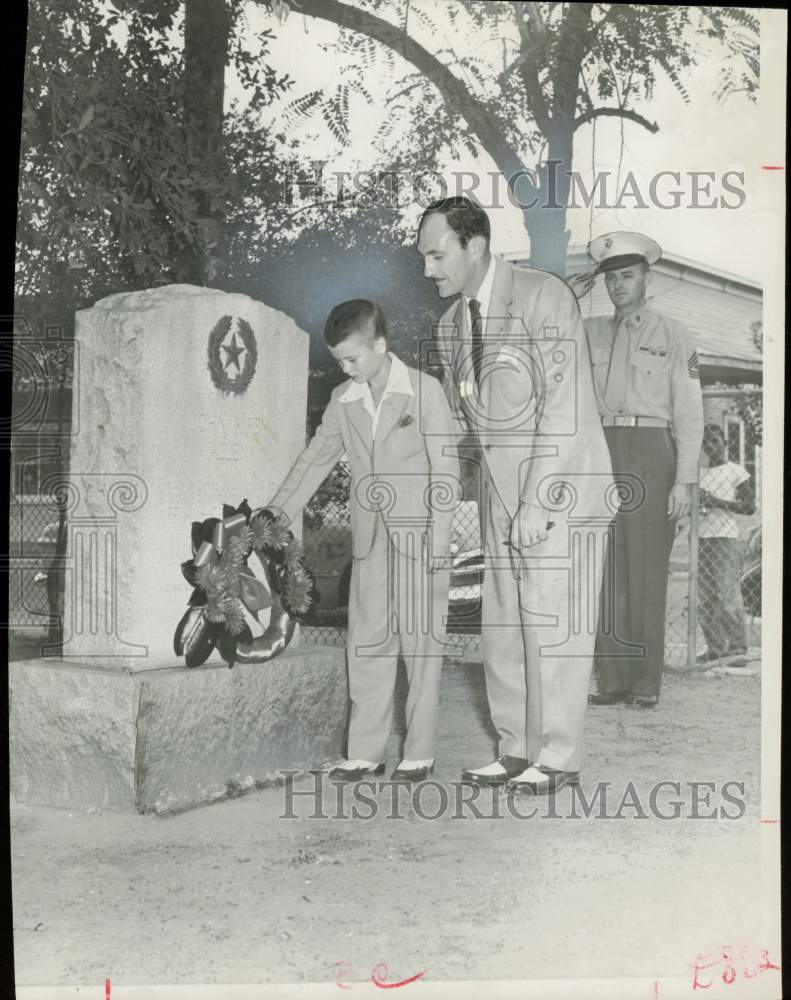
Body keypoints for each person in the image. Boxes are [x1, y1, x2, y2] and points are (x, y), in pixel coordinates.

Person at [418, 196, 615, 795]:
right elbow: (462, 417)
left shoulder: (542, 295)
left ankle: (558, 755)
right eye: (423, 257)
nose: (428, 269)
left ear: (475, 245)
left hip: (559, 488)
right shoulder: (451, 325)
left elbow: (565, 405)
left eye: (437, 253)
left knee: (553, 625)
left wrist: (538, 502)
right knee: (502, 624)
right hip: (500, 495)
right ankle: (515, 749)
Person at [264, 299, 460, 784]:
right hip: (369, 540)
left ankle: (419, 752)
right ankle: (365, 753)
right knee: (367, 642)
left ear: (380, 344)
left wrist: (439, 540)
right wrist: (276, 512)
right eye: (339, 361)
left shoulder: (424, 390)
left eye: (353, 358)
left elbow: (446, 470)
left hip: (420, 537)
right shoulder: (343, 400)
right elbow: (315, 460)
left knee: (420, 646)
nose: (346, 368)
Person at [570, 232, 704, 708]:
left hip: (651, 449)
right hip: (601, 448)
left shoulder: (674, 335)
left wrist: (684, 479)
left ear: (648, 278)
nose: (618, 285)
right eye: (610, 277)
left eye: (627, 275)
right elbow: (547, 343)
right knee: (603, 566)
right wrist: (573, 295)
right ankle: (612, 680)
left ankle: (645, 682)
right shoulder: (589, 331)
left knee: (646, 566)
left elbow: (689, 411)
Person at [697, 423, 754, 667]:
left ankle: (738, 649)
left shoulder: (735, 471)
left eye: (715, 441)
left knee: (727, 594)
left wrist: (716, 501)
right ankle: (716, 648)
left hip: (725, 537)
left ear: (725, 443)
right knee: (705, 597)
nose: (710, 446)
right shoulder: (698, 473)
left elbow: (749, 506)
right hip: (701, 537)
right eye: (706, 442)